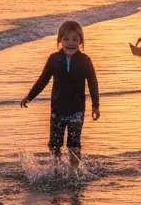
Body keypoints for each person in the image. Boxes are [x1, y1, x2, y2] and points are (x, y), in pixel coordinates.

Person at [21, 20, 100, 166]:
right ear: (60, 41)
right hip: (57, 110)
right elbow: (43, 80)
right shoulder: (53, 59)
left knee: (74, 145)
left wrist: (96, 105)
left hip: (77, 110)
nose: (70, 43)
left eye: (75, 39)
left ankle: (74, 172)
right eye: (66, 39)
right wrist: (30, 96)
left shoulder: (85, 61)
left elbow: (93, 83)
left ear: (80, 41)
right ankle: (56, 168)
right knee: (55, 144)